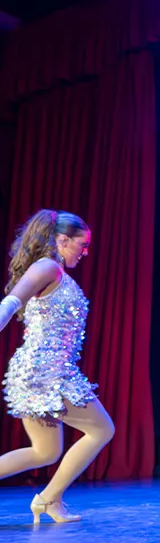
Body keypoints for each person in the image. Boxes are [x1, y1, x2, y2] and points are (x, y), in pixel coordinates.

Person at [0, 210, 115, 523]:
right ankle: (49, 499)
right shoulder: (48, 266)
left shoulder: (56, 272)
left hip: (41, 369)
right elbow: (11, 302)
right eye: (82, 244)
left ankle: (49, 500)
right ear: (63, 240)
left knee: (45, 452)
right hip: (46, 371)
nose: (85, 251)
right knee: (102, 429)